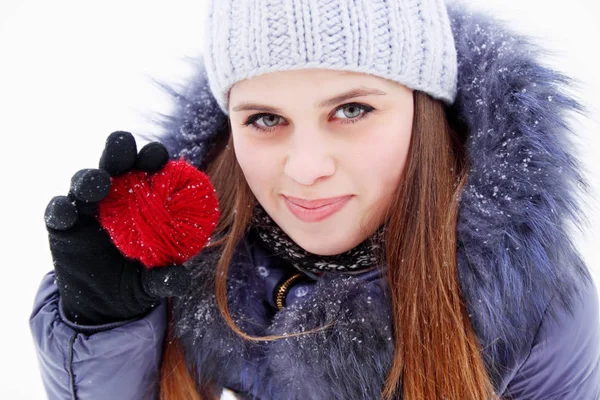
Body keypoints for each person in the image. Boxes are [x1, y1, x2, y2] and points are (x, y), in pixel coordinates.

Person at [29, 0, 600, 399]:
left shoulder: (533, 304)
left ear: (422, 111)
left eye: (351, 110)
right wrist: (106, 332)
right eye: (265, 118)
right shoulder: (208, 259)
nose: (305, 169)